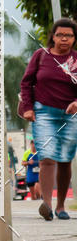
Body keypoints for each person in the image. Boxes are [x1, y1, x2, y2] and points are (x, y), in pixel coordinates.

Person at [19, 18, 77, 220]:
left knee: (64, 160)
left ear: (74, 39)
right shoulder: (41, 56)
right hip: (43, 113)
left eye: (69, 35)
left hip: (70, 116)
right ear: (53, 36)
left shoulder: (76, 59)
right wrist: (28, 108)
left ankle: (61, 206)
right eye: (60, 35)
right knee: (47, 158)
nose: (64, 39)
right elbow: (26, 83)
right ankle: (47, 205)